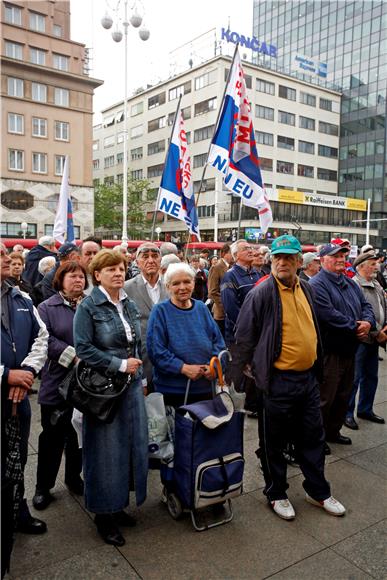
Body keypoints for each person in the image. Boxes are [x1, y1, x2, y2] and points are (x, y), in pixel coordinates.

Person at [230, 235, 345, 521]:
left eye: (288, 258)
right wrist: (243, 377)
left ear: (298, 261)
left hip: (307, 380)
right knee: (273, 441)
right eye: (278, 257)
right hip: (277, 381)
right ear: (272, 261)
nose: (282, 262)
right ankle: (276, 492)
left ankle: (317, 490)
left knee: (313, 437)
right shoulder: (261, 293)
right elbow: (243, 338)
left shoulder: (305, 288)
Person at [74, 249, 148, 547]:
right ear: (98, 274)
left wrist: (139, 378)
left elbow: (137, 344)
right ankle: (103, 515)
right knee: (104, 451)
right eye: (111, 269)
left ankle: (118, 505)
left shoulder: (128, 303)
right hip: (104, 388)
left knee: (129, 447)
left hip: (130, 385)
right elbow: (83, 348)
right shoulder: (89, 306)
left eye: (121, 268)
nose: (118, 273)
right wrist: (119, 364)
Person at [1, 241, 48, 576]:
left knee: (17, 458)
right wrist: (5, 375)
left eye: (6, 253)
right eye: (1, 255)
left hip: (18, 401)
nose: (8, 259)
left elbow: (40, 338)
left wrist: (27, 372)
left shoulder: (21, 297)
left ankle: (17, 512)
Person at [32, 262, 88, 511]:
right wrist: (74, 355)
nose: (78, 280)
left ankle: (74, 478)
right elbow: (45, 339)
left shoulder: (90, 304)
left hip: (87, 385)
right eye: (72, 276)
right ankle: (43, 487)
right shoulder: (46, 307)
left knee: (78, 436)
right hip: (57, 383)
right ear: (59, 280)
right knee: (52, 437)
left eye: (81, 277)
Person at [310, 243, 375, 454]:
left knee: (344, 394)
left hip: (350, 349)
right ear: (322, 259)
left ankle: (333, 431)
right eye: (335, 255)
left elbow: (366, 306)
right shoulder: (317, 284)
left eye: (342, 255)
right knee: (326, 397)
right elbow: (327, 314)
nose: (340, 259)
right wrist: (356, 327)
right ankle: (318, 439)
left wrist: (367, 322)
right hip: (330, 351)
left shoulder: (349, 283)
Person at [147, 263, 225, 407]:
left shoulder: (201, 307)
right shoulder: (160, 311)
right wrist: (182, 368)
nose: (182, 287)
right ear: (167, 287)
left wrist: (214, 366)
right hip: (173, 392)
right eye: (176, 283)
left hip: (206, 389)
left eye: (187, 282)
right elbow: (156, 351)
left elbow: (218, 342)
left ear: (194, 283)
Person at [345, 251, 387, 429]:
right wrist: (377, 331)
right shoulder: (355, 285)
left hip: (376, 338)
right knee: (354, 378)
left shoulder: (376, 283)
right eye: (372, 263)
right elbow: (358, 313)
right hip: (363, 339)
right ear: (361, 266)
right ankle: (347, 413)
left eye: (376, 263)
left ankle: (365, 409)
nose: (376, 266)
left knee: (371, 376)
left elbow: (382, 306)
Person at [124, 243, 168, 392]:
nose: (151, 260)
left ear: (160, 260)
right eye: (145, 256)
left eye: (155, 256)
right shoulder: (126, 288)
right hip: (140, 356)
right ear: (137, 262)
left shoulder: (170, 286)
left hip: (168, 355)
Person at [221, 240, 260, 347]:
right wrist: (248, 327)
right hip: (240, 335)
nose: (251, 251)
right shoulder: (229, 276)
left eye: (250, 248)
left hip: (258, 331)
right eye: (245, 249)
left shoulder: (258, 274)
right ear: (236, 255)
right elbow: (231, 308)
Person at [208, 243, 232, 337]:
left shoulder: (231, 267)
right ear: (223, 254)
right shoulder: (216, 267)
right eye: (230, 253)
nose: (232, 255)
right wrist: (224, 305)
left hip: (229, 312)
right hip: (220, 312)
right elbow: (212, 291)